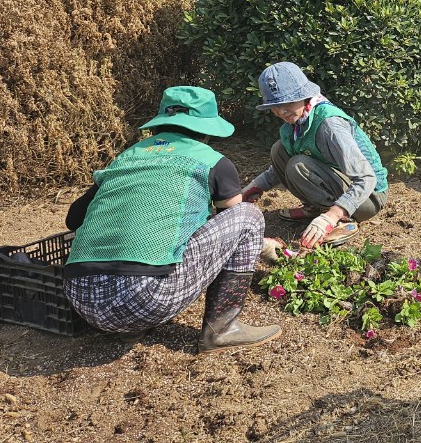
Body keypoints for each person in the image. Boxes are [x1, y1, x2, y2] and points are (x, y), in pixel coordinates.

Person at [63, 86, 281, 353]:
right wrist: (263, 244)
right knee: (249, 215)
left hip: (81, 299)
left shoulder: (126, 158)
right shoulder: (213, 162)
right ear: (206, 130)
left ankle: (132, 328)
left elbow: (74, 219)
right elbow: (233, 222)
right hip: (145, 300)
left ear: (160, 125)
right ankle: (222, 329)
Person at [240, 62, 388, 249]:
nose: (281, 111)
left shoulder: (329, 125)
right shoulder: (295, 124)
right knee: (279, 150)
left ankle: (340, 218)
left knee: (298, 166)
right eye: (274, 106)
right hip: (342, 183)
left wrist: (332, 215)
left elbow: (366, 178)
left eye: (287, 102)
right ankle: (316, 208)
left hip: (368, 198)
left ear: (304, 95)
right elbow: (276, 169)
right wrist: (253, 188)